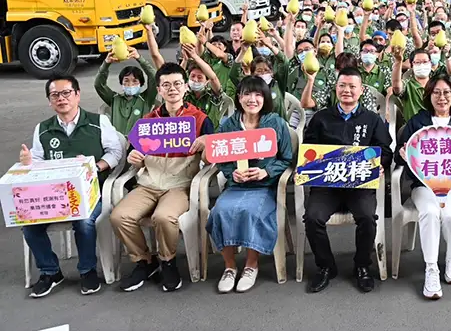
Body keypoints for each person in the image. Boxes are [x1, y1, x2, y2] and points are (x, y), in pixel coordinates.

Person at [111, 63, 214, 293]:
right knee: (119, 216)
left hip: (180, 184)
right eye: (166, 85)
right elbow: (132, 154)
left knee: (164, 217)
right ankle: (144, 262)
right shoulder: (148, 121)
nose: (172, 89)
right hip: (149, 182)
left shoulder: (199, 119)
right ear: (158, 90)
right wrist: (134, 157)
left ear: (185, 87)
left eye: (177, 84)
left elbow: (213, 156)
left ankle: (168, 261)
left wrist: (207, 142)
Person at [20, 75, 123, 297]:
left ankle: (87, 270)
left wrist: (94, 167)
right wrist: (29, 162)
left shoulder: (98, 122)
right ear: (50, 101)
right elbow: (37, 160)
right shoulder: (43, 129)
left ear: (77, 95)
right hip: (55, 195)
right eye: (55, 95)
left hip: (91, 191)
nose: (61, 98)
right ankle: (50, 271)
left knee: (84, 221)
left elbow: (115, 152)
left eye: (66, 93)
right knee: (28, 223)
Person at [302, 68, 393, 293]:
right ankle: (325, 267)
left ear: (361, 91)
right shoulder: (321, 118)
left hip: (359, 184)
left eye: (352, 86)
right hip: (327, 185)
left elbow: (385, 150)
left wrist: (379, 164)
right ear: (336, 88)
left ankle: (362, 265)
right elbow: (308, 151)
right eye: (343, 85)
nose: (347, 91)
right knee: (312, 218)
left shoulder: (372, 120)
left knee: (367, 217)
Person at [394, 75, 451, 299]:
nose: (442, 97)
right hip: (424, 186)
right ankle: (431, 267)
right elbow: (399, 153)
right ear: (429, 96)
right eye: (436, 93)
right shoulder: (417, 121)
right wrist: (403, 154)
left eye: (446, 93)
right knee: (430, 212)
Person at [205, 76, 294, 293]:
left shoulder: (276, 123)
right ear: (239, 97)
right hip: (237, 186)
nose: (252, 99)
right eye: (247, 94)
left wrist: (266, 171)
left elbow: (287, 158)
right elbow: (221, 158)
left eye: (257, 94)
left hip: (265, 186)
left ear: (265, 98)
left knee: (251, 212)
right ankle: (229, 267)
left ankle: (251, 265)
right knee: (219, 212)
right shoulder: (229, 124)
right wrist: (231, 173)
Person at [94, 44, 158, 135]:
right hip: (117, 143)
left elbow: (154, 77)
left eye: (135, 81)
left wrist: (139, 58)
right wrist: (106, 63)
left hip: (139, 144)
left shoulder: (147, 98)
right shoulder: (114, 99)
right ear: (121, 83)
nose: (130, 84)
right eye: (126, 81)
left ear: (141, 84)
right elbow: (99, 85)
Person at [392, 48, 433, 123]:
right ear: (411, 65)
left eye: (425, 62)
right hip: (413, 129)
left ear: (430, 63)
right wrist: (398, 61)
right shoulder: (407, 84)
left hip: (434, 129)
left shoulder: (436, 84)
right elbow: (396, 87)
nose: (422, 65)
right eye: (417, 62)